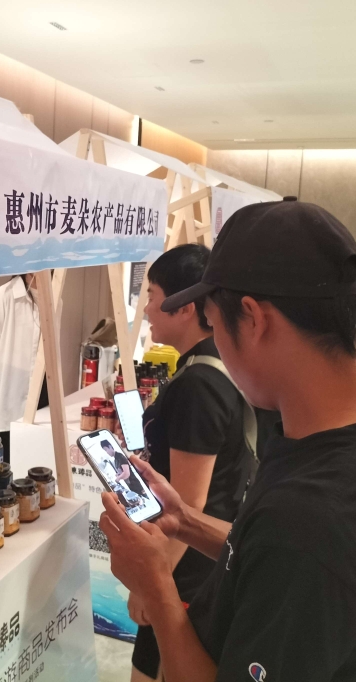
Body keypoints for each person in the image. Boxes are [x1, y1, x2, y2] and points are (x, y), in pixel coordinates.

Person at [99, 199, 356, 682]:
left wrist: (157, 585)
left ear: (253, 318)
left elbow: (295, 550)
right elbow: (269, 561)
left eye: (215, 323)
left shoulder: (315, 517)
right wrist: (185, 521)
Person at [130, 244, 252, 682]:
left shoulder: (198, 384)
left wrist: (153, 581)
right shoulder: (218, 363)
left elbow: (187, 506)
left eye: (153, 294)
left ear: (184, 307)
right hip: (208, 558)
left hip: (187, 573)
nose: (147, 308)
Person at [0, 275, 46, 463]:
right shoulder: (4, 297)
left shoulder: (55, 299)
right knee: (8, 471)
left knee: (38, 469)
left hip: (44, 402)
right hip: (8, 408)